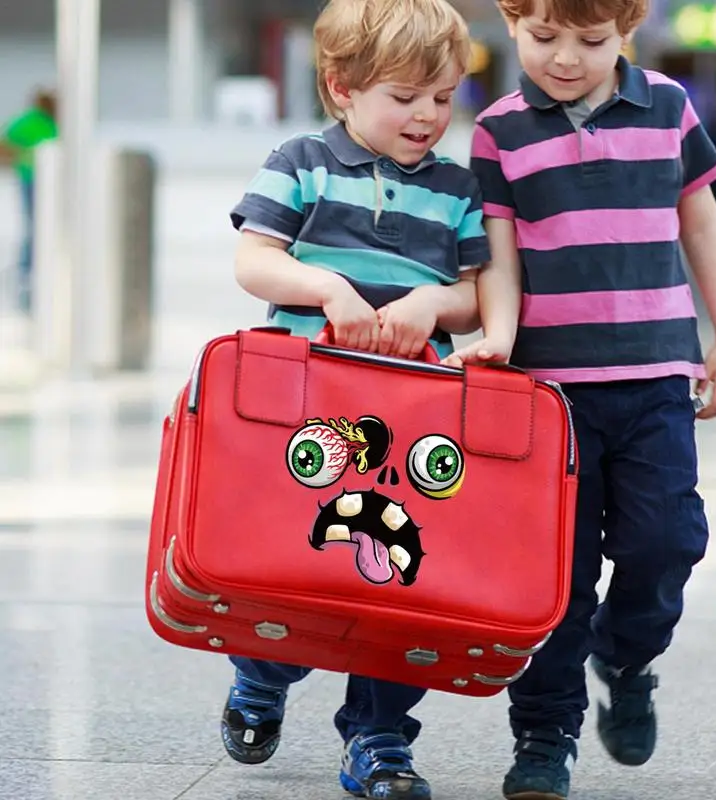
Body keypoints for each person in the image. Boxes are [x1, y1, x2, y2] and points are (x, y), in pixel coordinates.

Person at [444, 1, 716, 798]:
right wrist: (500, 337)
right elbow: (499, 255)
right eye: (545, 38)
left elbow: (703, 226)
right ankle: (545, 736)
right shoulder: (498, 131)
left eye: (592, 40)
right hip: (549, 398)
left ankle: (629, 653)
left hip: (654, 380)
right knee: (554, 580)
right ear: (511, 24)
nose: (567, 58)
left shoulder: (669, 109)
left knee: (666, 540)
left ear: (627, 32)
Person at [224, 1, 489, 798]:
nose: (427, 116)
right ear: (342, 88)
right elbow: (254, 260)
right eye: (405, 96)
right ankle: (262, 669)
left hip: (416, 416)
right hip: (310, 402)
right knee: (298, 557)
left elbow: (474, 294)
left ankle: (379, 736)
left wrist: (431, 307)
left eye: (442, 98)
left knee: (403, 571)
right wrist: (326, 288)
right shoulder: (301, 160)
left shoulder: (456, 187)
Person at [0, 89, 58, 312]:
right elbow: (5, 144)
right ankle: (26, 272)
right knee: (35, 226)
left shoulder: (51, 121)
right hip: (31, 179)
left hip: (51, 181)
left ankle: (37, 269)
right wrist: (19, 157)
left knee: (42, 227)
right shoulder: (30, 120)